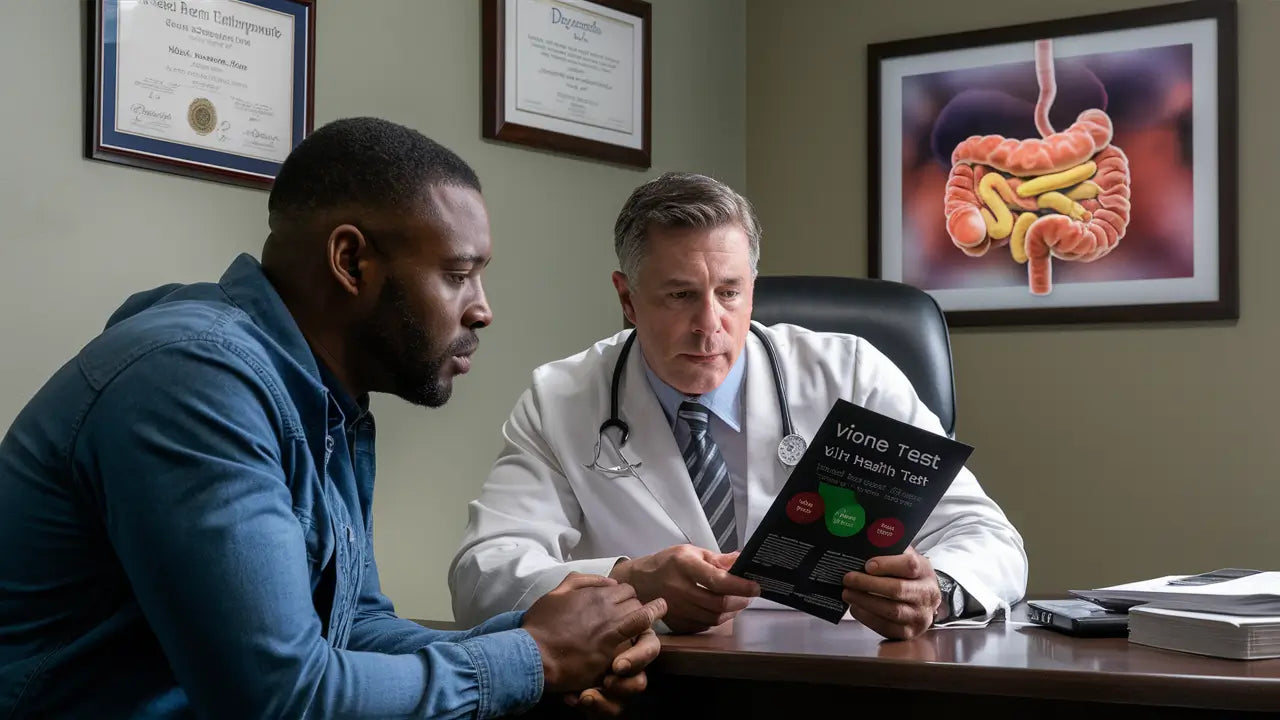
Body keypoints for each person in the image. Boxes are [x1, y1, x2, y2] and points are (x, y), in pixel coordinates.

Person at [0, 117, 666, 719]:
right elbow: (279, 699)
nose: (482, 308)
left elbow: (353, 627)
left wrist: (550, 640)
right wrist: (535, 659)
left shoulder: (319, 403)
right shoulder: (194, 383)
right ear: (351, 261)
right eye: (459, 274)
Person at [449, 172, 1028, 639]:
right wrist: (629, 581)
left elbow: (990, 538)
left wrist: (938, 591)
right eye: (679, 295)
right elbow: (483, 575)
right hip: (662, 684)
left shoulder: (851, 372)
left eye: (729, 293)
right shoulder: (562, 398)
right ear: (627, 299)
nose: (710, 327)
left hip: (846, 677)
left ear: (753, 286)